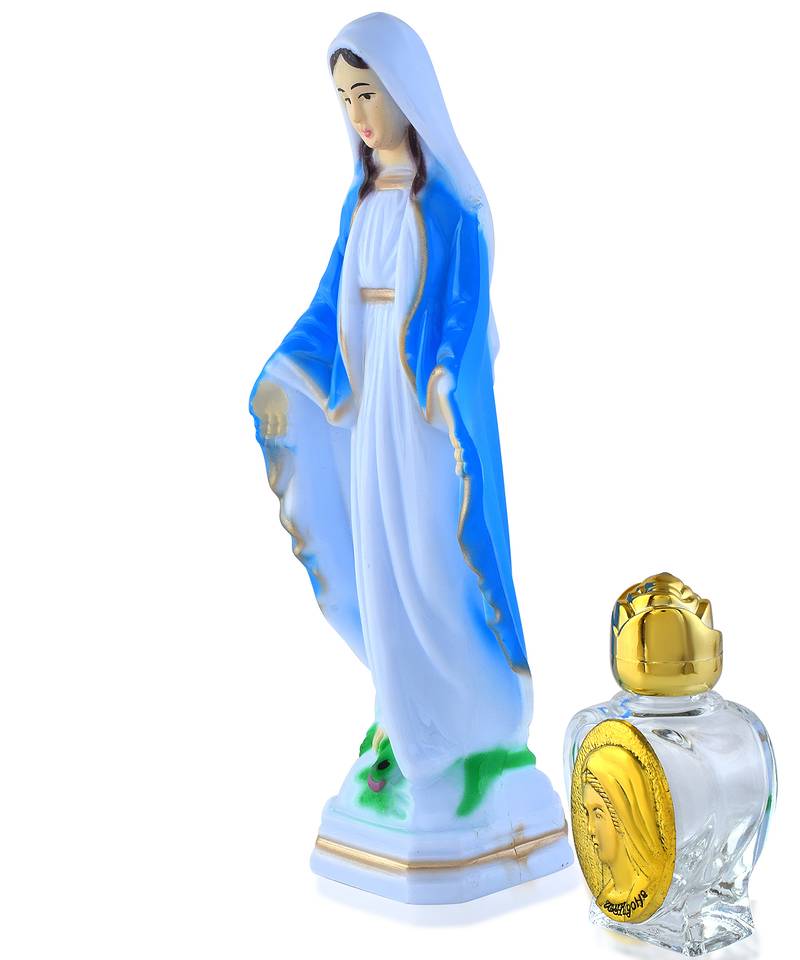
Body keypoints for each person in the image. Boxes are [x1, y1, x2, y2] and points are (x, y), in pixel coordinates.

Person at [250, 12, 531, 786]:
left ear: (406, 90)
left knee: (435, 558)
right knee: (380, 557)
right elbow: (327, 305)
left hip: (426, 419)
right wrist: (283, 372)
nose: (359, 115)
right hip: (373, 414)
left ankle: (475, 718)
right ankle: (408, 715)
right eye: (346, 100)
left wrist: (443, 377)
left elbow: (464, 304)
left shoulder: (449, 208)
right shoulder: (363, 202)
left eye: (368, 93)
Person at [582, 745, 664, 907]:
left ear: (624, 818)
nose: (590, 829)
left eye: (598, 814)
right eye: (587, 813)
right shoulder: (605, 897)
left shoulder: (651, 888)